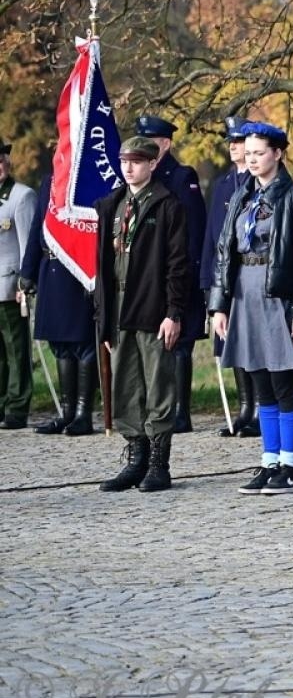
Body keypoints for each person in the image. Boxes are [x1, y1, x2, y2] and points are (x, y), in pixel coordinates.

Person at [210, 122, 293, 495]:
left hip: (278, 296)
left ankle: (290, 465)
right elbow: (224, 252)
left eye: (260, 152)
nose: (252, 159)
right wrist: (220, 305)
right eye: (248, 152)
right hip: (244, 294)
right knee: (260, 381)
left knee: (283, 381)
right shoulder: (242, 198)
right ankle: (269, 459)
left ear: (277, 154)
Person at [95, 136, 189, 493]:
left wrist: (173, 312)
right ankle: (136, 458)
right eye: (125, 161)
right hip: (118, 308)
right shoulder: (113, 205)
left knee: (158, 385)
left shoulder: (167, 205)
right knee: (125, 385)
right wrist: (103, 318)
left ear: (152, 164)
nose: (129, 168)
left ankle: (158, 464)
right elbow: (103, 267)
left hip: (152, 307)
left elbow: (178, 265)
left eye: (137, 161)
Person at [134, 114, 207, 434]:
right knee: (154, 342)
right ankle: (157, 405)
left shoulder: (181, 177)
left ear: (164, 144)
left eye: (150, 142)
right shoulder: (143, 179)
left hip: (179, 273)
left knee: (180, 344)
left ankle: (180, 411)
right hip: (151, 275)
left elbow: (193, 230)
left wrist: (189, 274)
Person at [20, 169, 99, 435]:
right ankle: (66, 412)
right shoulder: (51, 180)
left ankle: (82, 413)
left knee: (83, 343)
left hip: (78, 271)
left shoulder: (88, 175)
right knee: (60, 344)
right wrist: (27, 272)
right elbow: (37, 227)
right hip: (50, 269)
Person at [203, 116, 259, 438]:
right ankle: (244, 408)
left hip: (250, 273)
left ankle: (259, 411)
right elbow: (213, 237)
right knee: (232, 342)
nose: (233, 147)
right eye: (231, 142)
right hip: (225, 277)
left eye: (239, 141)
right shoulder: (223, 184)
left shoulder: (256, 180)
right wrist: (207, 283)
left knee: (253, 343)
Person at [0, 141, 37, 429]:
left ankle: (17, 405)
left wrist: (25, 283)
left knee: (16, 350)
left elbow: (27, 246)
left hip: (9, 286)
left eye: (2, 159)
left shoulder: (22, 197)